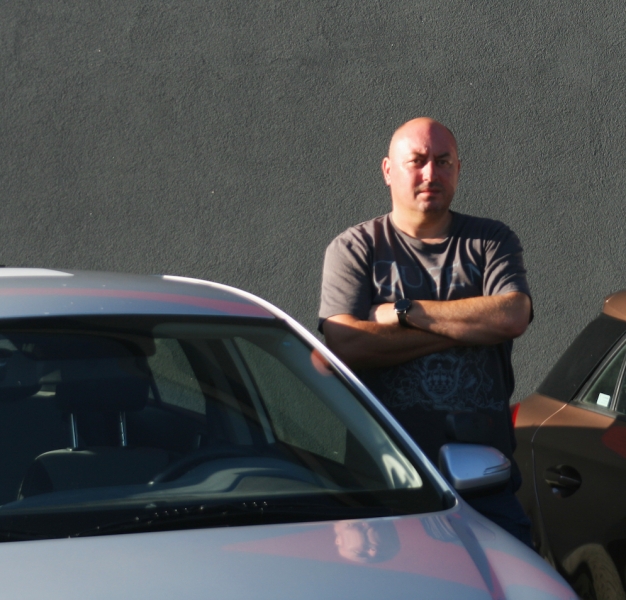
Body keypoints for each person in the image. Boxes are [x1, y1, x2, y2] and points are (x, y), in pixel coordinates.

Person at [318, 117, 533, 545]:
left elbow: (511, 316)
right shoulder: (356, 248)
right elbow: (345, 344)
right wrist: (468, 326)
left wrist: (401, 311)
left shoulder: (490, 241)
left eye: (443, 161)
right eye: (416, 161)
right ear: (388, 170)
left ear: (458, 168)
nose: (431, 173)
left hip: (484, 482)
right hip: (384, 484)